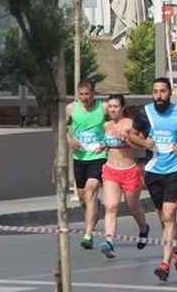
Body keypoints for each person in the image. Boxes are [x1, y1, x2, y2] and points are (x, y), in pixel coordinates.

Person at [129, 78, 177, 282]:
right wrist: (144, 142)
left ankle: (164, 264)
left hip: (176, 171)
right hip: (153, 172)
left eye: (162, 91)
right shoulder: (145, 113)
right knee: (164, 220)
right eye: (155, 92)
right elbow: (131, 136)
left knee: (169, 215)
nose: (159, 95)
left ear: (170, 93)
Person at [99, 94, 149, 258]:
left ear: (122, 108)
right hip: (110, 170)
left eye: (115, 107)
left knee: (132, 207)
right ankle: (109, 242)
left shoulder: (130, 124)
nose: (112, 110)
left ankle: (143, 228)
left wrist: (127, 139)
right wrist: (102, 146)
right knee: (111, 207)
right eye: (110, 107)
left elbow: (142, 145)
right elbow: (107, 143)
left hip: (129, 171)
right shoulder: (106, 125)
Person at [66, 81, 108, 250]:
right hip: (79, 157)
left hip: (98, 156)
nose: (84, 98)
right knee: (84, 198)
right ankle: (94, 210)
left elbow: (115, 125)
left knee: (91, 190)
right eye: (81, 94)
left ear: (93, 94)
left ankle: (88, 234)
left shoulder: (103, 108)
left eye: (87, 94)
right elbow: (62, 127)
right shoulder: (71, 108)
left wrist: (106, 142)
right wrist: (70, 140)